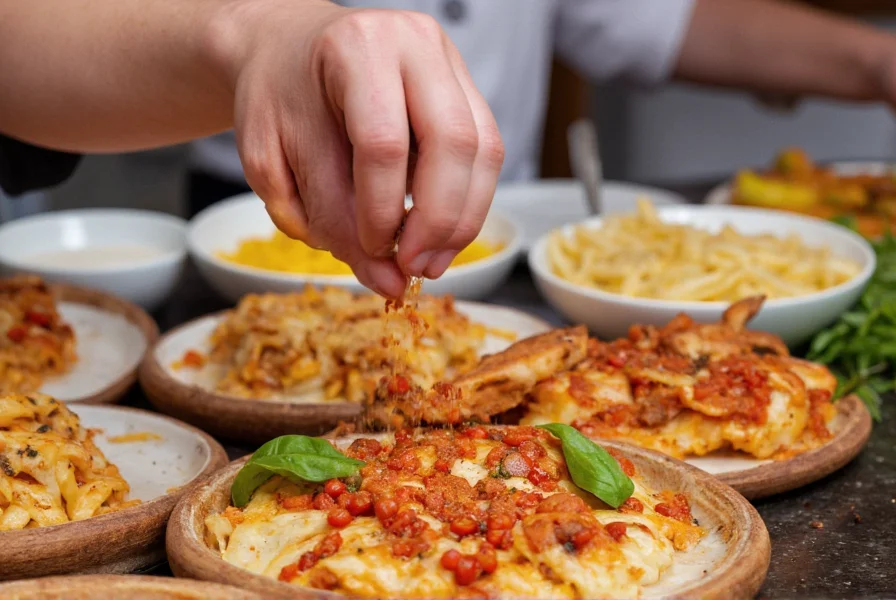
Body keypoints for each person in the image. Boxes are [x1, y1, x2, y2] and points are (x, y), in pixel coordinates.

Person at [3, 0, 896, 299]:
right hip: (279, 228)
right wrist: (257, 32)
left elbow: (655, 18)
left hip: (499, 259)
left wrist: (873, 59)